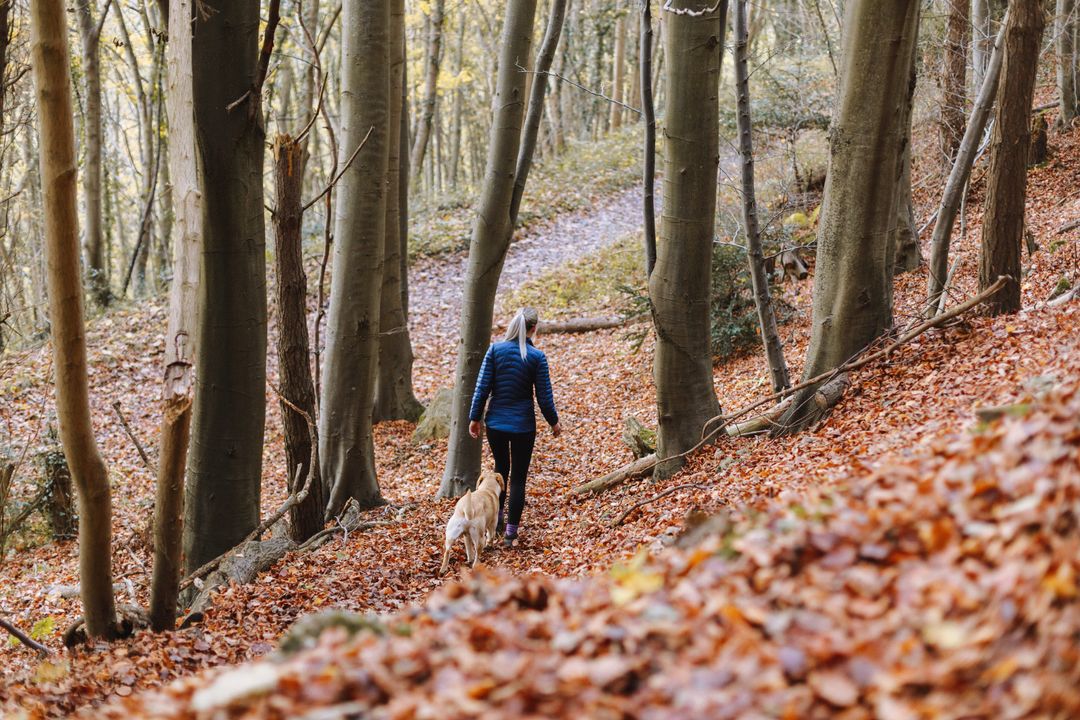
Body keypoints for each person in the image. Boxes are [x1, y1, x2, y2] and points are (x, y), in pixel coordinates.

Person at [469, 307, 561, 548]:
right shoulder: (537, 357)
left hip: (496, 424)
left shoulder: (495, 350)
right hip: (522, 427)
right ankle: (510, 534)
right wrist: (554, 421)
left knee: (501, 472)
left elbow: (482, 388)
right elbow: (544, 397)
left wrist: (475, 418)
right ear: (533, 329)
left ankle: (497, 522)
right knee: (519, 478)